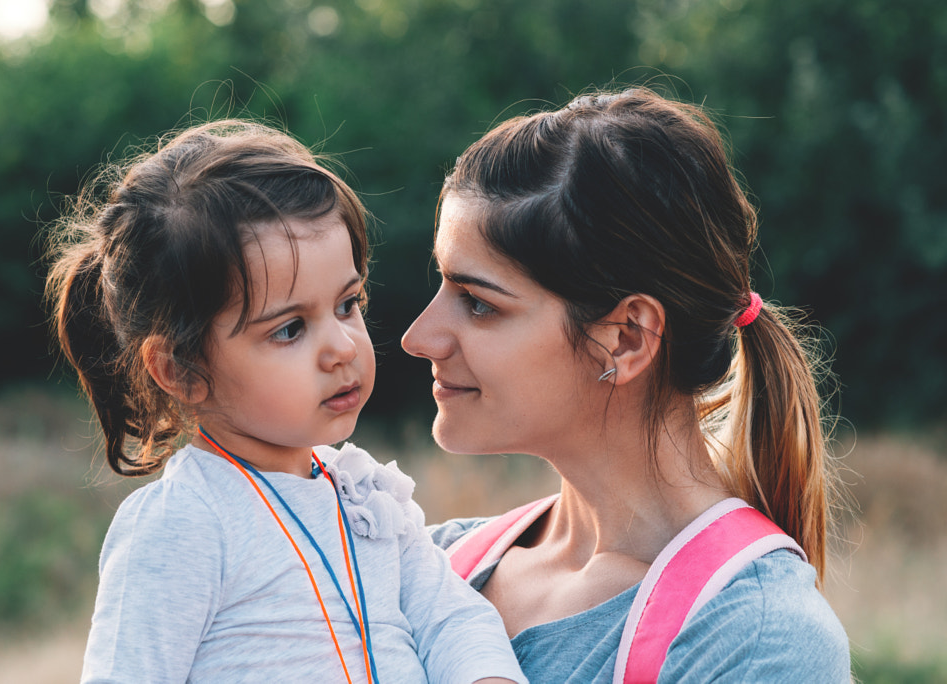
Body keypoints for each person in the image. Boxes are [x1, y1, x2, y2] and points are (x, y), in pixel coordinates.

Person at [46, 119, 526, 684]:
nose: (343, 347)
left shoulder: (366, 495)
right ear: (180, 370)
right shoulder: (184, 521)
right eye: (290, 329)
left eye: (348, 304)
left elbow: (450, 617)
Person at [401, 87, 852, 682]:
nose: (419, 336)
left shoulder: (753, 639)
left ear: (628, 338)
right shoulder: (427, 567)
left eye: (479, 304)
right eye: (441, 285)